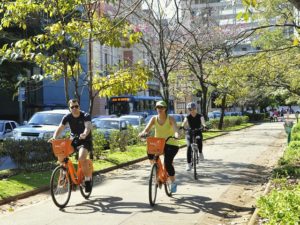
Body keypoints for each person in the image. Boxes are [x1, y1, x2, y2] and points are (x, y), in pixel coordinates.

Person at [49, 99, 93, 192]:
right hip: (74, 140)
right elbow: (60, 127)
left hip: (85, 141)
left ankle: (88, 180)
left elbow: (88, 126)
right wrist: (54, 137)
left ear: (79, 107)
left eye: (76, 106)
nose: (74, 108)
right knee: (61, 155)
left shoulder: (85, 115)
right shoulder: (67, 117)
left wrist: (85, 134)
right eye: (72, 107)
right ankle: (65, 175)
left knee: (81, 158)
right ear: (69, 108)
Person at [139, 100, 180, 193]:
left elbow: (176, 129)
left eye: (161, 107)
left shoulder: (170, 119)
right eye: (158, 107)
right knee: (150, 153)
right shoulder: (154, 118)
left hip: (171, 143)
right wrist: (143, 133)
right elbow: (147, 129)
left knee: (168, 163)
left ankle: (173, 182)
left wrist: (177, 134)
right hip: (159, 143)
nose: (159, 109)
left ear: (165, 109)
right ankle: (157, 171)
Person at [182, 102, 207, 171]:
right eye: (190, 109)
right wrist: (182, 126)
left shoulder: (200, 116)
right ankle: (188, 164)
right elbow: (184, 121)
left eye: (193, 109)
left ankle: (200, 152)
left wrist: (204, 126)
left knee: (199, 140)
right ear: (188, 110)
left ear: (196, 109)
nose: (192, 110)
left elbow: (203, 122)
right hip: (189, 133)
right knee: (189, 146)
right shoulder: (188, 116)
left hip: (198, 131)